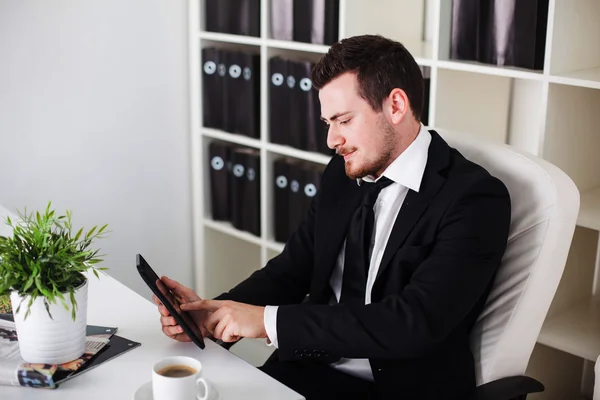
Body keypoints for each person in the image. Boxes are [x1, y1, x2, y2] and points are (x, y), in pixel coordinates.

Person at [155, 34, 511, 400]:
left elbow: (413, 321)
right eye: (328, 122)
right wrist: (212, 315)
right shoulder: (342, 173)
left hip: (395, 388)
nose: (331, 139)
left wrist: (264, 321)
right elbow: (293, 269)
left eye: (343, 120)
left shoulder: (474, 199)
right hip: (308, 368)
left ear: (397, 105)